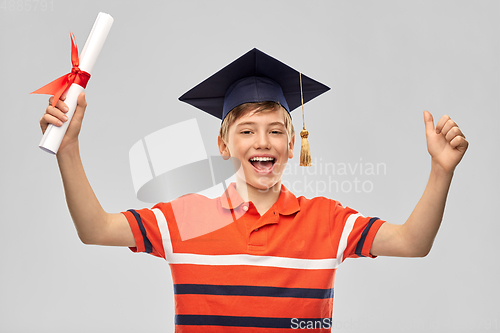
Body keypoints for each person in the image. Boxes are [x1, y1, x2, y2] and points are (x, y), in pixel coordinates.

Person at [40, 48, 468, 332]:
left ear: (292, 143)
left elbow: (413, 242)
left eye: (275, 131)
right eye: (246, 130)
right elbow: (95, 229)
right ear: (225, 144)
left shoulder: (327, 221)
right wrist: (69, 149)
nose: (263, 142)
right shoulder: (188, 219)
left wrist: (440, 171)